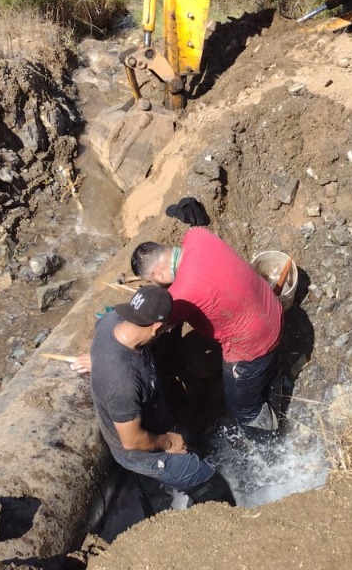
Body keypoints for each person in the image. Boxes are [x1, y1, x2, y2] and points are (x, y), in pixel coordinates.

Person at [87, 284, 236, 507]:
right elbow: (132, 440)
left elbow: (102, 324)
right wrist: (169, 442)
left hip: (156, 421)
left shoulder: (112, 321)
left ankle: (162, 491)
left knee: (189, 445)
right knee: (216, 489)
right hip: (141, 452)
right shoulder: (122, 381)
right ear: (156, 327)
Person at [131, 216, 283, 434]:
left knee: (242, 406)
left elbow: (151, 326)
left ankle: (268, 444)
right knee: (266, 373)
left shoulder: (180, 295)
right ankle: (273, 380)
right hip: (272, 310)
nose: (155, 285)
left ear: (158, 274)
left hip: (254, 347)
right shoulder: (198, 236)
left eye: (151, 281)